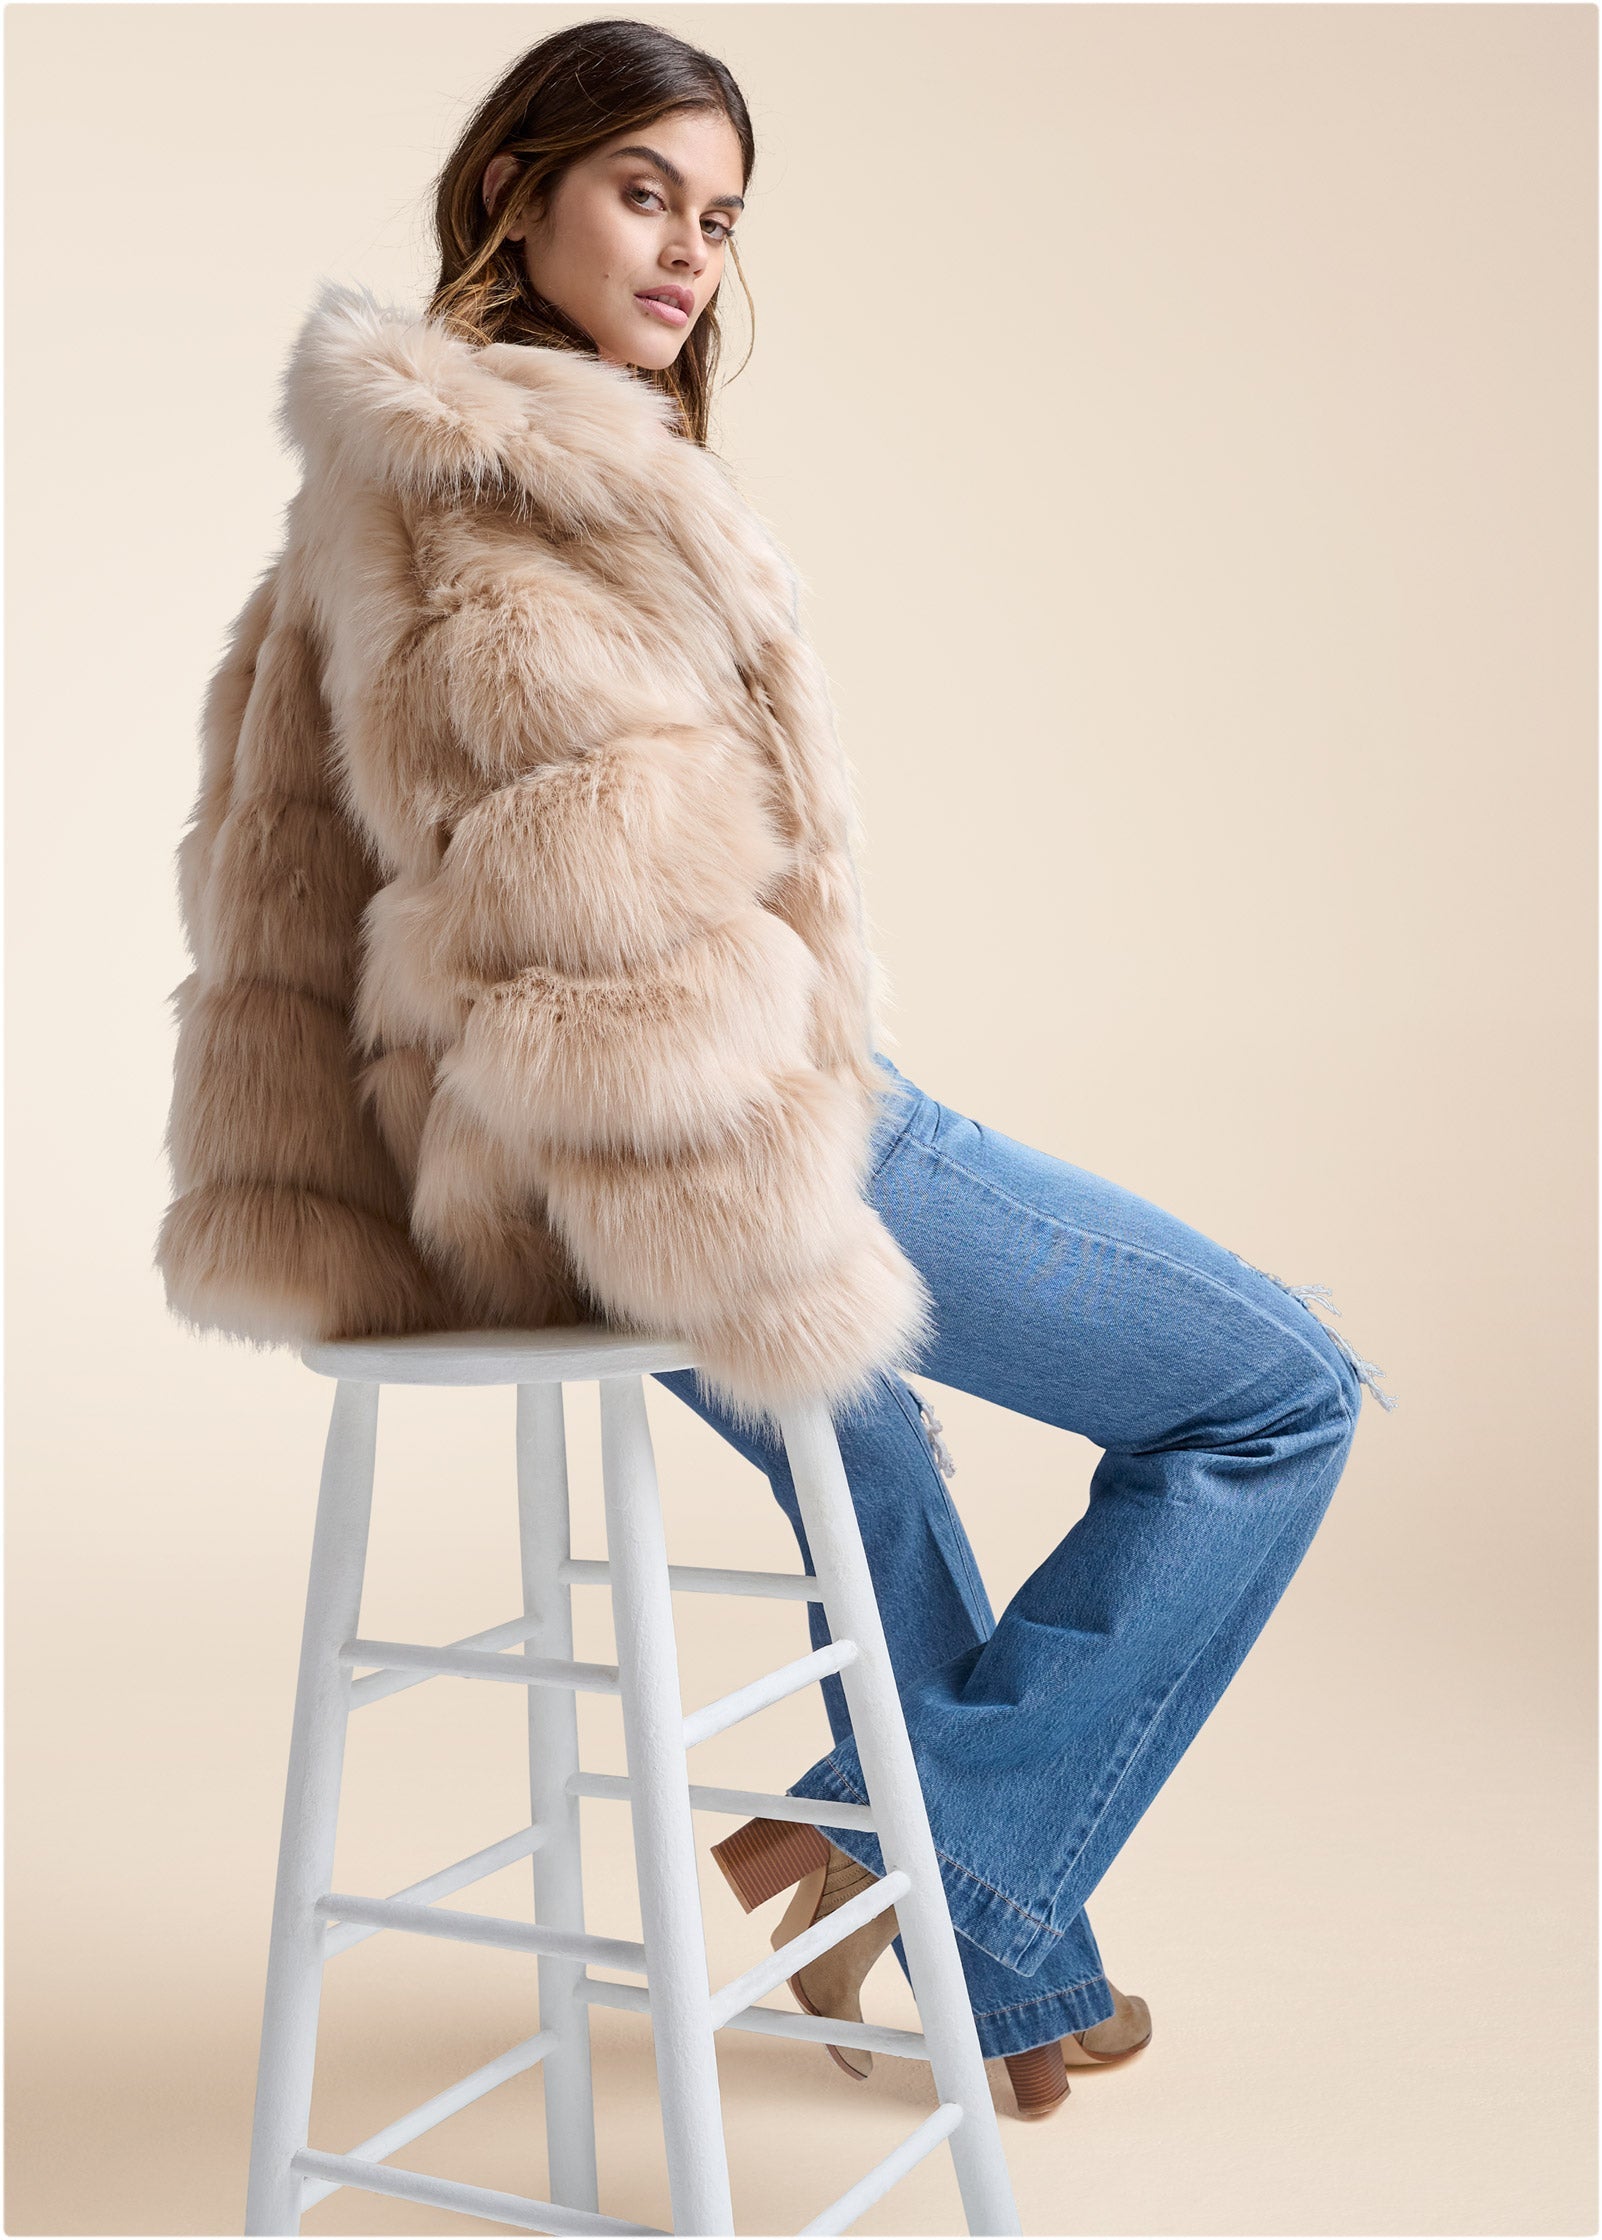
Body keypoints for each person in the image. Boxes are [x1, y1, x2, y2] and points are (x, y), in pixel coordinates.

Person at [157, 16, 1396, 2126]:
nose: (686, 253)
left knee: (876, 1463)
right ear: (514, 191)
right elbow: (594, 923)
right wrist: (775, 1155)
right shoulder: (506, 501)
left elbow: (294, 903)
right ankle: (911, 1857)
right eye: (643, 192)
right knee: (1276, 1397)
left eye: (719, 220)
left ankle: (983, 1948)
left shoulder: (389, 491)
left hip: (514, 1177)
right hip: (673, 1138)